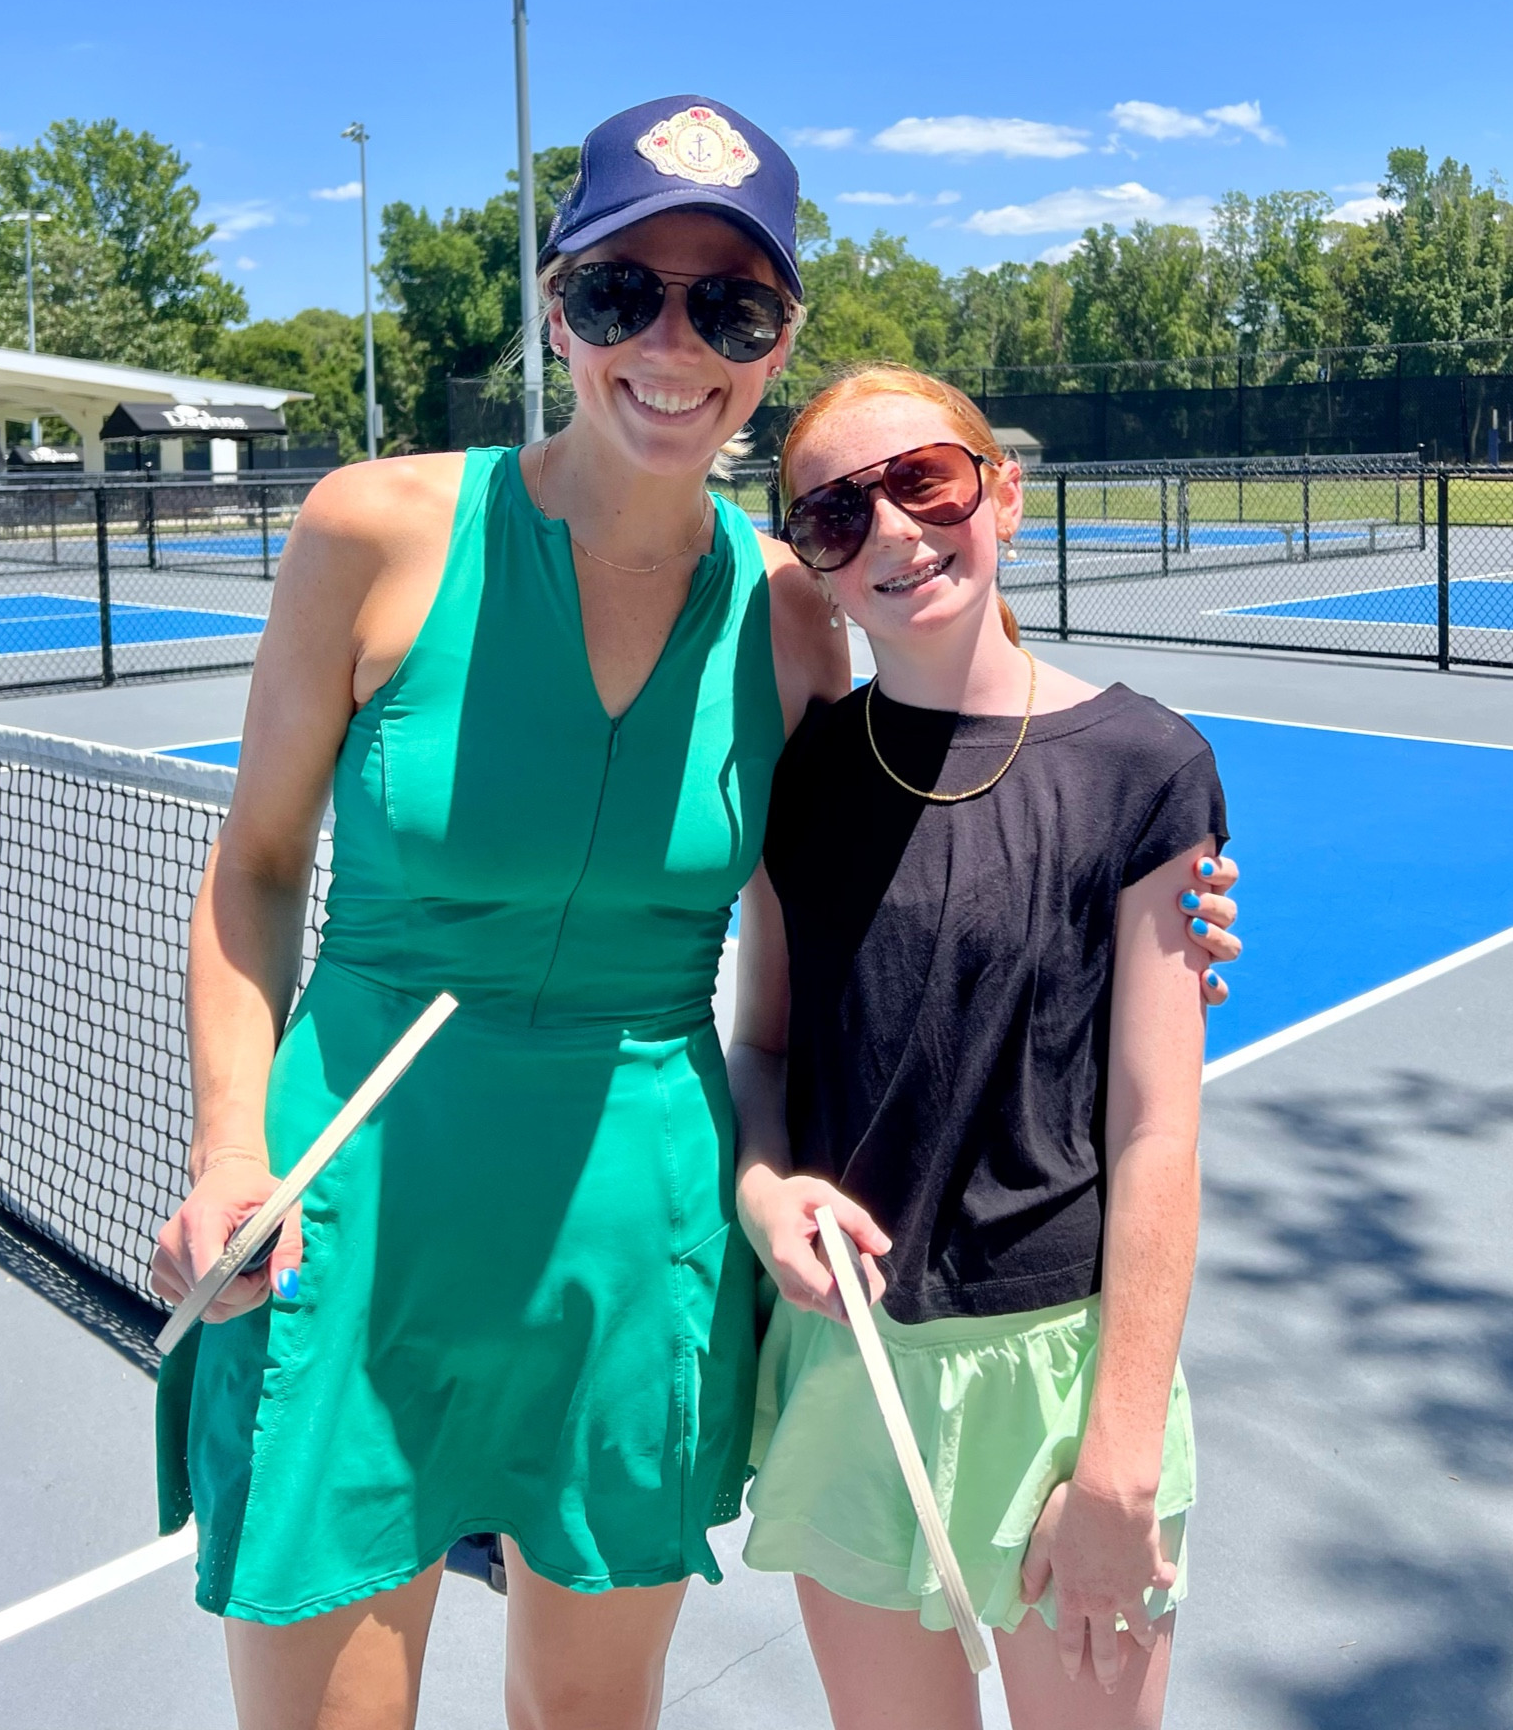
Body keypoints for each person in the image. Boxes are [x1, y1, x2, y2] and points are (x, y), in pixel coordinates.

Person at [150, 99, 1239, 1730]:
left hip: (641, 1220)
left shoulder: (792, 611)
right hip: (356, 1196)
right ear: (558, 309)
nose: (672, 345)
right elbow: (252, 867)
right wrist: (229, 1146)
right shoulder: (369, 531)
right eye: (621, 293)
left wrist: (1146, 882)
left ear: (776, 341)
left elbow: (923, 815)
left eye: (729, 308)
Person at [733, 365, 1227, 1730]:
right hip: (851, 1370)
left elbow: (1157, 1130)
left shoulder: (1148, 768)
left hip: (1063, 1385)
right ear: (811, 560)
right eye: (836, 514)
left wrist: (1121, 1453)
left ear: (1001, 492)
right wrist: (763, 1189)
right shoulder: (801, 780)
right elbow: (764, 1046)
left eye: (926, 481)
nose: (893, 531)